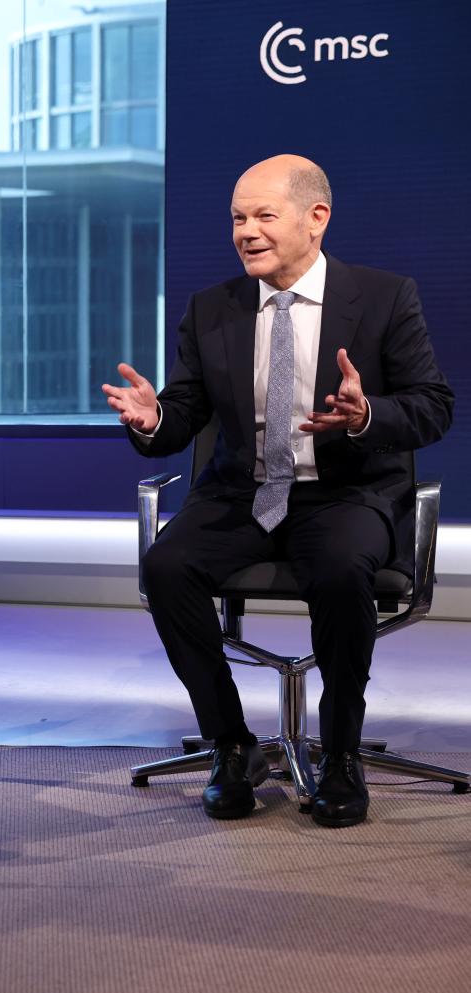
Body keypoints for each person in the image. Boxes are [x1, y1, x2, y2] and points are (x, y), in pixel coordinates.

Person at [102, 154, 453, 828]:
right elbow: (183, 414)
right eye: (238, 217)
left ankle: (342, 754)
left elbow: (433, 406)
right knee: (168, 566)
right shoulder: (213, 309)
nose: (247, 231)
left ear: (315, 218)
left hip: (345, 492)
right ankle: (231, 743)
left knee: (342, 567)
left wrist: (368, 415)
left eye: (264, 215)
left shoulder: (383, 298)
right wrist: (153, 421)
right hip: (245, 492)